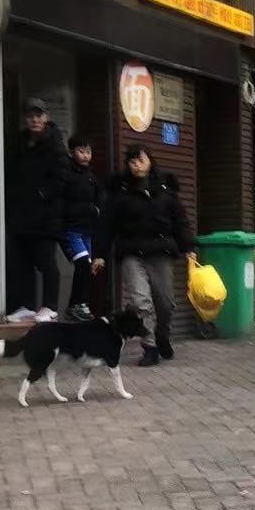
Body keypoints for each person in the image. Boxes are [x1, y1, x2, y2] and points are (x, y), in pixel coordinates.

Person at [94, 146, 195, 366]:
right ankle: (150, 347)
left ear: (150, 161)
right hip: (131, 253)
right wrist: (100, 254)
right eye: (132, 162)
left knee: (166, 303)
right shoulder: (120, 192)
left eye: (140, 160)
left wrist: (188, 247)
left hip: (160, 252)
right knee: (141, 302)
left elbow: (180, 221)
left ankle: (162, 336)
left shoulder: (165, 189)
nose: (136, 165)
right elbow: (106, 225)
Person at [5, 98, 68, 323]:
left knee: (46, 261)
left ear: (46, 117)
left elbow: (62, 177)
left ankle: (50, 306)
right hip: (22, 215)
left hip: (46, 216)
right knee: (22, 262)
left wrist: (42, 194)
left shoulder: (54, 142)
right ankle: (26, 305)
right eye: (30, 116)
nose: (34, 120)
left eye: (38, 115)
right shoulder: (20, 142)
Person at [63, 132, 105, 318]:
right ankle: (76, 305)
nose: (86, 155)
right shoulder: (66, 174)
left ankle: (79, 304)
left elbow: (101, 200)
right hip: (71, 230)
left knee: (87, 267)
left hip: (86, 231)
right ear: (72, 152)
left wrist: (97, 210)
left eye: (88, 152)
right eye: (81, 151)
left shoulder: (91, 177)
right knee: (82, 264)